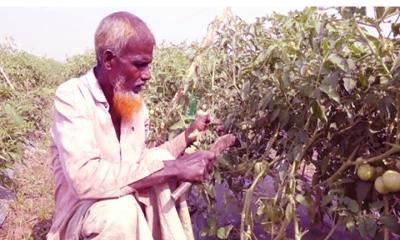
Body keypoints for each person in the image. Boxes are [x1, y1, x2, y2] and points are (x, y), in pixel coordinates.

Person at [47, 11, 215, 240]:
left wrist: (187, 136)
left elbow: (140, 161)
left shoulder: (132, 104)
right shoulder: (72, 97)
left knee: (143, 192)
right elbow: (85, 178)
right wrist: (175, 168)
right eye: (139, 64)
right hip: (82, 215)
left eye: (149, 65)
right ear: (108, 60)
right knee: (121, 211)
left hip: (126, 205)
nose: (148, 75)